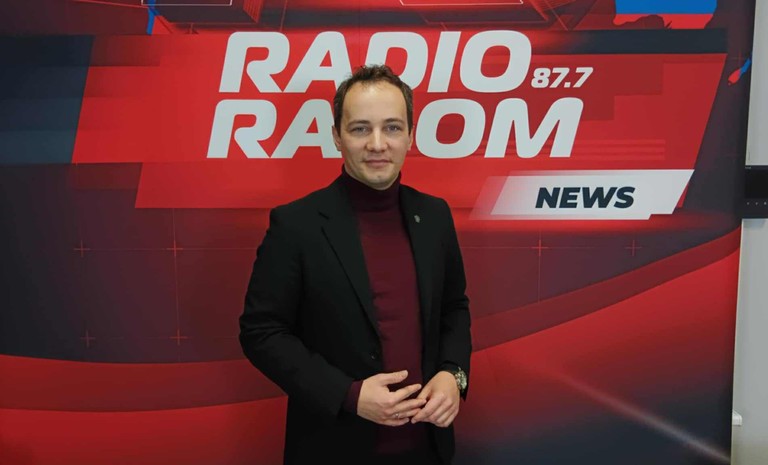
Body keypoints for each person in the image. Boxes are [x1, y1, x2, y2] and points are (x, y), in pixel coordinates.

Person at [239, 64, 471, 465]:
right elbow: (261, 332)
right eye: (360, 128)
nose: (377, 144)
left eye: (392, 128)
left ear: (410, 135)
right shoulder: (296, 225)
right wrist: (348, 394)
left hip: (427, 448)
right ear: (337, 136)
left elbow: (454, 307)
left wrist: (454, 375)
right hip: (333, 448)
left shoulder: (434, 216)